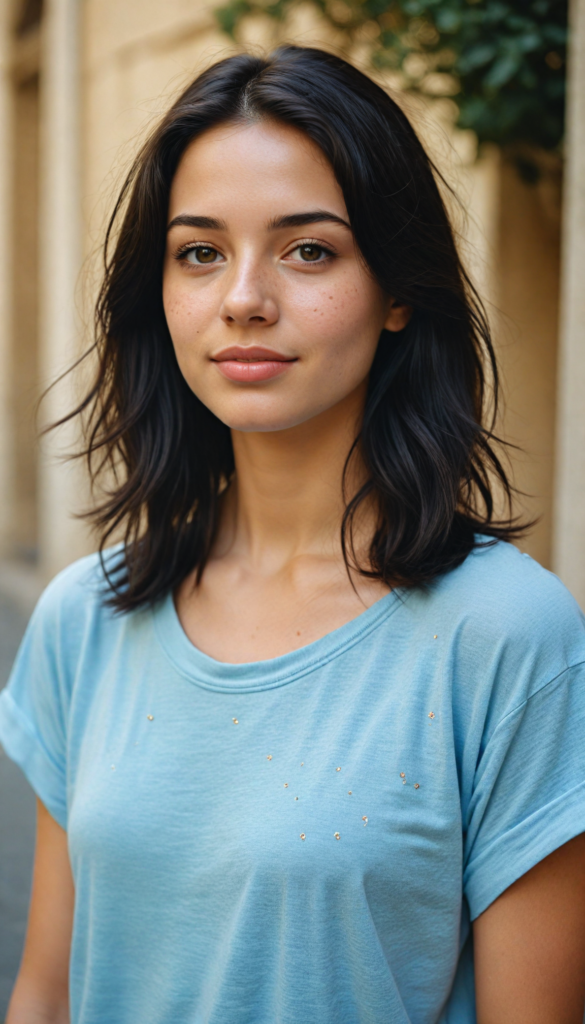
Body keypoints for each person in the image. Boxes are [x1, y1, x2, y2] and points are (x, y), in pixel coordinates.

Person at [1, 44, 585, 1024]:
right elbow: (48, 988)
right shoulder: (85, 617)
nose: (243, 298)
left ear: (399, 291)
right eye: (199, 252)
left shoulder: (508, 635)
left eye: (308, 248)